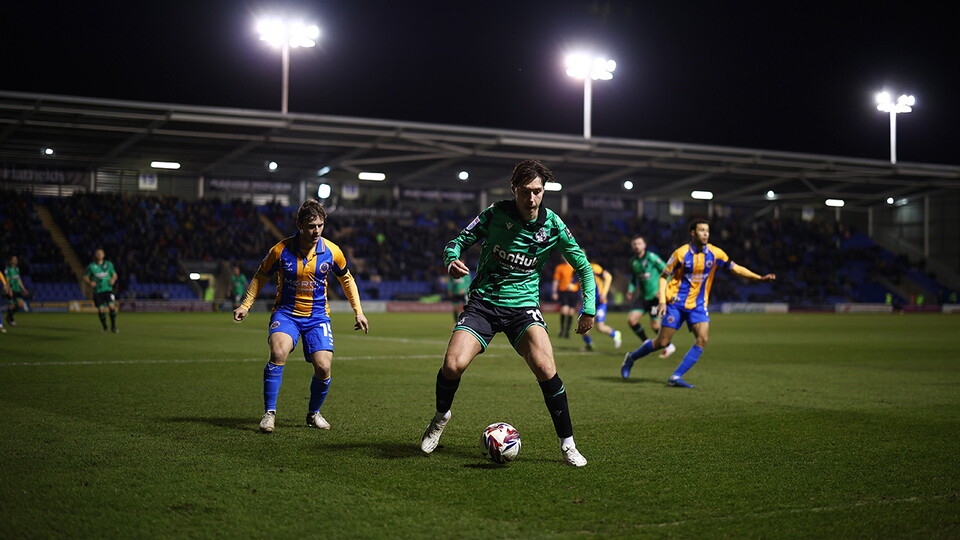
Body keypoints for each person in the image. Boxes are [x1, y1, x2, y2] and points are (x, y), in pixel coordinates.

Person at [419, 159, 596, 467]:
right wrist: (451, 260)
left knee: (546, 368)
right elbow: (457, 242)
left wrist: (589, 308)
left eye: (538, 192)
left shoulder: (553, 225)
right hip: (484, 303)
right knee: (452, 365)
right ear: (514, 189)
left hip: (523, 308)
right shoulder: (495, 214)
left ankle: (567, 444)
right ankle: (440, 417)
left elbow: (583, 266)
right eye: (526, 192)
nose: (532, 199)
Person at [234, 199, 369, 433]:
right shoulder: (280, 250)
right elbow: (260, 276)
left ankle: (313, 413)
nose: (316, 231)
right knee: (278, 352)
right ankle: (269, 413)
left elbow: (347, 279)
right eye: (310, 226)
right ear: (299, 225)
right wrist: (246, 305)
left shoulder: (332, 251)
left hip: (317, 318)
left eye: (319, 225)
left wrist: (358, 311)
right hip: (286, 314)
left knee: (323, 368)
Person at [621, 219, 775, 388]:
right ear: (693, 233)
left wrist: (759, 278)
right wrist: (663, 301)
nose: (705, 234)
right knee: (662, 343)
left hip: (698, 305)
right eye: (701, 230)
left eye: (707, 231)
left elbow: (735, 267)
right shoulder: (680, 254)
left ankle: (676, 376)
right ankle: (631, 358)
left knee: (702, 339)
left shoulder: (715, 253)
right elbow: (664, 276)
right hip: (676, 303)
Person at [625, 235, 676, 358]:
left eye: (639, 243)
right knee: (631, 320)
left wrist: (663, 290)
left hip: (655, 297)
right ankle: (646, 342)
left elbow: (667, 272)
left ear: (644, 245)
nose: (637, 246)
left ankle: (669, 345)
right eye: (634, 244)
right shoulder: (633, 262)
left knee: (655, 325)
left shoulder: (652, 258)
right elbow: (633, 279)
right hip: (643, 297)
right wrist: (630, 290)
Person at [580, 261, 622, 351]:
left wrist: (604, 293)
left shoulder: (594, 268)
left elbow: (608, 277)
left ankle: (615, 334)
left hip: (600, 303)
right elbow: (576, 284)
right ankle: (589, 344)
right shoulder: (577, 270)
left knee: (600, 327)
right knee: (582, 326)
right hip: (588, 303)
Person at [84, 249, 119, 333]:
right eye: (98, 254)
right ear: (95, 255)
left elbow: (114, 274)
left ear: (103, 255)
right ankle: (105, 327)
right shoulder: (91, 266)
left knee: (112, 307)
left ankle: (113, 326)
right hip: (98, 291)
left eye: (101, 253)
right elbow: (85, 277)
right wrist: (90, 282)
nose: (99, 255)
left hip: (108, 290)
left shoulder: (109, 264)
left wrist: (113, 280)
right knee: (101, 310)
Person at [551, 260, 580, 338]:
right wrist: (554, 292)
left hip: (574, 292)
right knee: (564, 310)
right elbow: (556, 280)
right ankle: (562, 329)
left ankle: (567, 332)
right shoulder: (560, 267)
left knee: (571, 312)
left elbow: (580, 280)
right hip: (564, 291)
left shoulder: (576, 266)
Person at [4, 255, 29, 327]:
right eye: (14, 259)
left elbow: (19, 280)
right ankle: (11, 320)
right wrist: (9, 290)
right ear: (10, 260)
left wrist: (23, 289)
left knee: (21, 304)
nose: (16, 260)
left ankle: (8, 316)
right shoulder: (7, 269)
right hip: (11, 289)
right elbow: (7, 280)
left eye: (16, 259)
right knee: (11, 306)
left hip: (17, 289)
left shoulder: (17, 269)